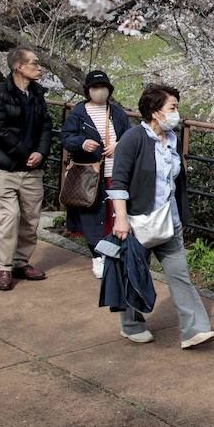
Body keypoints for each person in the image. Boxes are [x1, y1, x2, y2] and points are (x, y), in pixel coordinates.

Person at [109, 83, 214, 349]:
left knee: (180, 275)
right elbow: (119, 182)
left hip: (170, 220)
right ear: (156, 112)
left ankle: (196, 330)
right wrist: (121, 219)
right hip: (138, 222)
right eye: (173, 108)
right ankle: (131, 324)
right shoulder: (133, 139)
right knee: (135, 272)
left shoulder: (173, 140)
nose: (177, 113)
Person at [0, 46, 52, 291]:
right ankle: (4, 267)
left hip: (32, 170)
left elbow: (46, 126)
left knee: (30, 220)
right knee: (9, 218)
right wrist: (24, 152)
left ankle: (21, 262)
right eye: (34, 63)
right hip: (5, 168)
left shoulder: (37, 95)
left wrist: (40, 152)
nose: (39, 67)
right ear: (19, 66)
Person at [60, 70, 132, 279]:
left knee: (114, 217)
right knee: (92, 218)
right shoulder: (78, 113)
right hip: (90, 174)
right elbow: (66, 137)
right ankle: (98, 256)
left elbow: (130, 135)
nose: (99, 92)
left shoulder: (117, 113)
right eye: (94, 88)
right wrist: (81, 143)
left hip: (115, 173)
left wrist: (119, 145)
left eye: (103, 88)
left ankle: (112, 256)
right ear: (88, 91)